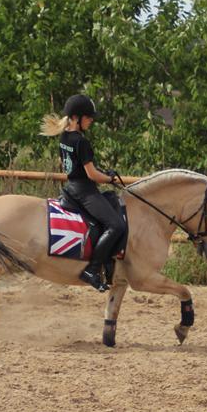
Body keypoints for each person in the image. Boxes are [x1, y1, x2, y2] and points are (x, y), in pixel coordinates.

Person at [39, 94, 124, 291]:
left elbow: (69, 166)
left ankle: (106, 264)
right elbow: (92, 175)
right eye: (89, 117)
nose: (91, 120)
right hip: (85, 192)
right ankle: (92, 269)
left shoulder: (64, 137)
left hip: (71, 188)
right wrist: (110, 178)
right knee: (116, 225)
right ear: (76, 118)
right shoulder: (81, 142)